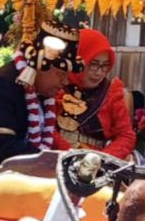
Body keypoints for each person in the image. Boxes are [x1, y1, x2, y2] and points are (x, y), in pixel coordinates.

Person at [0, 20, 82, 167]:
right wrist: (55, 160)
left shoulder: (39, 92)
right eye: (61, 74)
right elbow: (6, 146)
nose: (66, 82)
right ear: (40, 65)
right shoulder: (0, 83)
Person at [55, 28, 136, 159]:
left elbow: (126, 135)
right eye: (93, 64)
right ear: (78, 60)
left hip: (97, 163)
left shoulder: (112, 92)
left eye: (105, 66)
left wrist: (102, 159)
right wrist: (68, 153)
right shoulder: (57, 85)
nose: (99, 72)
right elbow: (46, 127)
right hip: (58, 157)